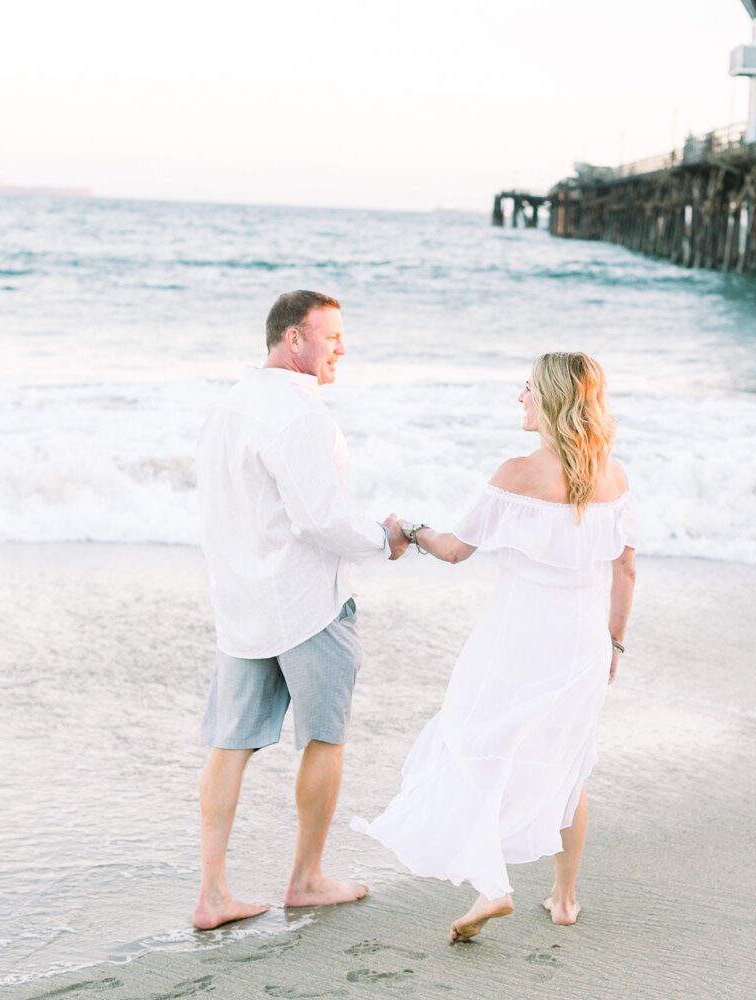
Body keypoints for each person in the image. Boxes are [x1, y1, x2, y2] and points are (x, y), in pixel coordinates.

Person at [356, 351, 638, 943]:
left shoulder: (516, 472)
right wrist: (614, 642)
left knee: (478, 745)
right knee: (568, 762)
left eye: (529, 388)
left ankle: (494, 886)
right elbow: (626, 569)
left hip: (516, 637)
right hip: (585, 640)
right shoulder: (613, 476)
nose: (520, 397)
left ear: (553, 400)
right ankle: (563, 899)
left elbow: (456, 549)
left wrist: (410, 529)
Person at [191, 289, 408, 930]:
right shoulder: (300, 413)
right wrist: (386, 537)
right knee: (324, 736)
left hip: (242, 602)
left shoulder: (229, 405)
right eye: (331, 335)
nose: (342, 347)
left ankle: (212, 895)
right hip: (308, 602)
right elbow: (320, 522)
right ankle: (307, 879)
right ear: (294, 339)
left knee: (229, 746)